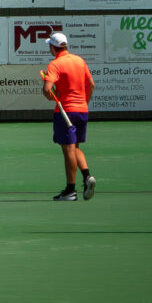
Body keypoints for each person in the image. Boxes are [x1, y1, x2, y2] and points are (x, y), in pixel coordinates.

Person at [40, 31, 96, 201]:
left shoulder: (55, 64)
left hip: (66, 112)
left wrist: (52, 97)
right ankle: (87, 177)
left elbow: (47, 90)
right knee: (75, 147)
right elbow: (91, 85)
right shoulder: (79, 60)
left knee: (68, 150)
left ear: (53, 47)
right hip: (82, 110)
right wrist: (84, 102)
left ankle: (70, 190)